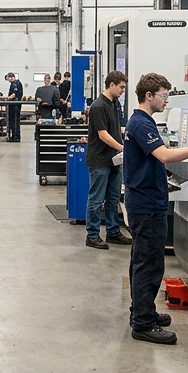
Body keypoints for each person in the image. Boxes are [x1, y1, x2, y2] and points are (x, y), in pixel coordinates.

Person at [124, 73, 188, 345]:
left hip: (145, 202)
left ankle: (143, 312)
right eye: (164, 95)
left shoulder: (143, 122)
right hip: (147, 205)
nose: (167, 100)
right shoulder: (141, 124)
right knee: (148, 264)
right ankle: (142, 324)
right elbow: (164, 155)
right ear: (149, 96)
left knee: (143, 261)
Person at [84, 71, 129, 251]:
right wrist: (123, 148)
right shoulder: (98, 106)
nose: (123, 91)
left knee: (113, 197)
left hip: (114, 160)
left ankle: (113, 232)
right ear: (111, 85)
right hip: (100, 160)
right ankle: (92, 235)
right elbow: (102, 134)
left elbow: (117, 127)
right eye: (121, 87)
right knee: (96, 199)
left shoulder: (114, 103)